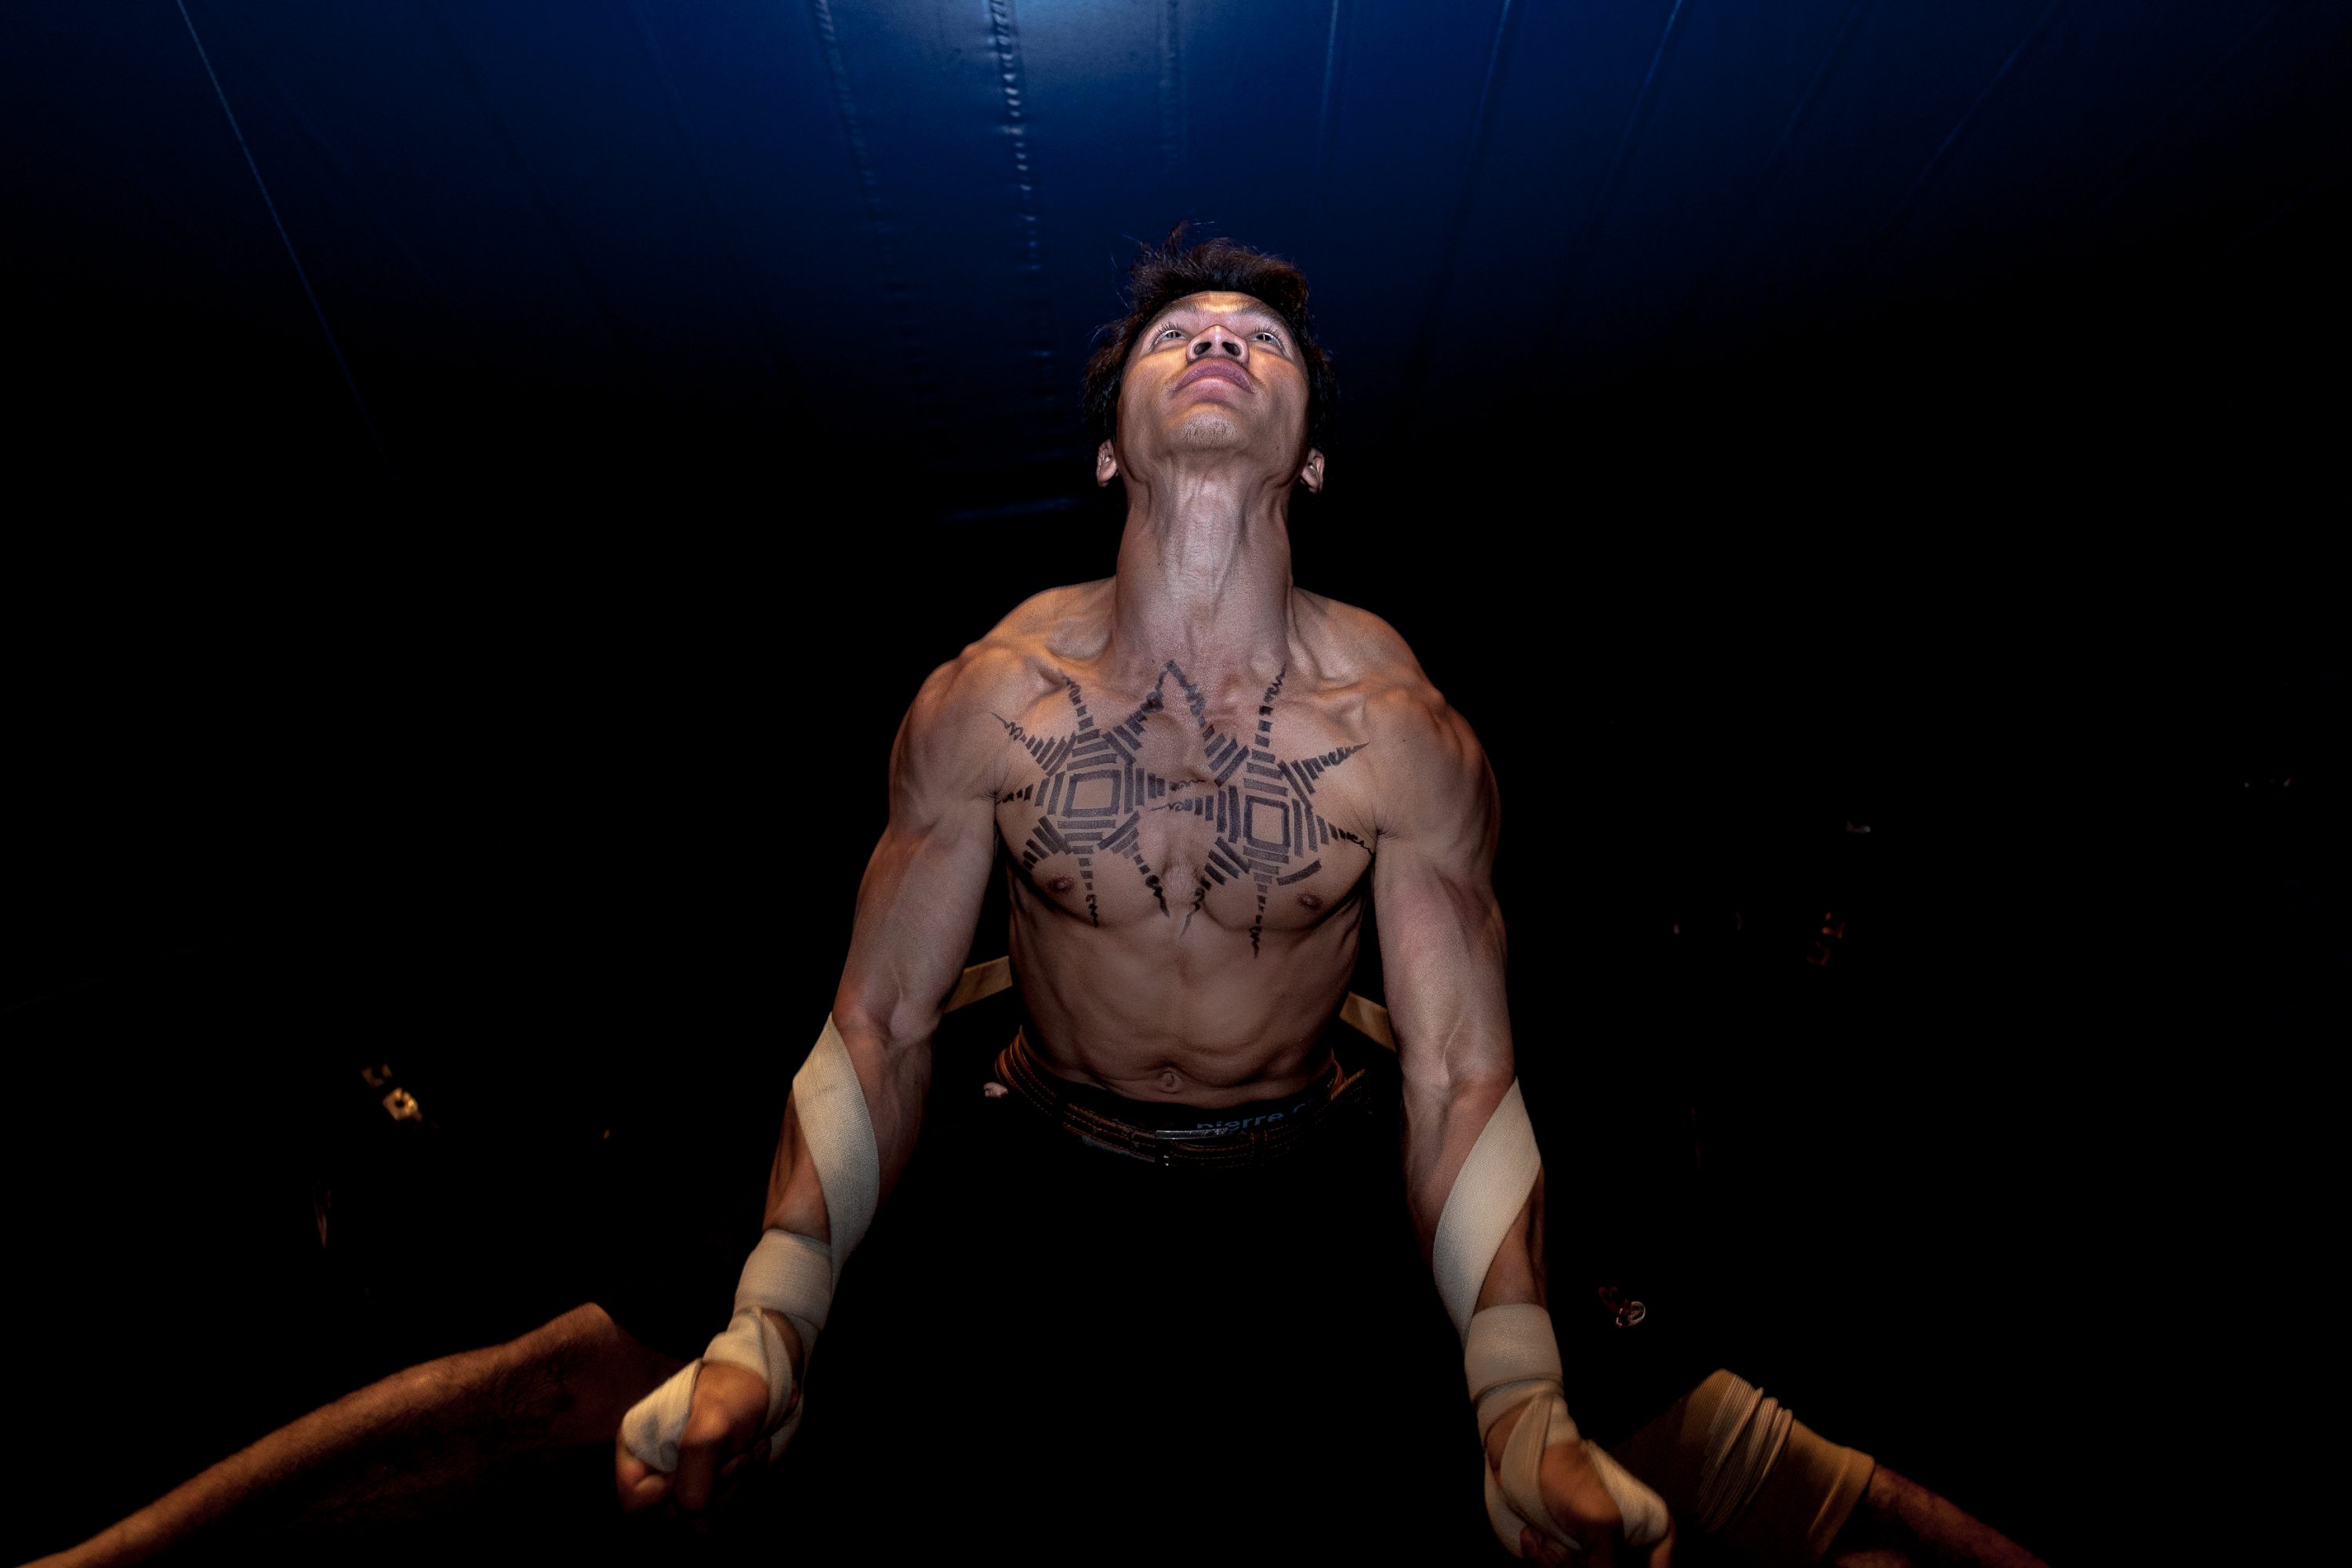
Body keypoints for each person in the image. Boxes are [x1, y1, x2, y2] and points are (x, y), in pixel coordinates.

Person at [29, 232, 2044, 1568]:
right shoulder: (988, 698)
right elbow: (882, 1027)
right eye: (1180, 334)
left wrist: (1513, 1398)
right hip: (1027, 1136)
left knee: (1705, 1465)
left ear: (1312, 455)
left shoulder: (1408, 730)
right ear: (1113, 440)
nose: (1220, 344)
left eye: (1258, 339)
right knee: (581, 1369)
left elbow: (1454, 1079)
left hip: (1310, 1158)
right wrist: (776, 1321)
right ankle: (107, 1557)